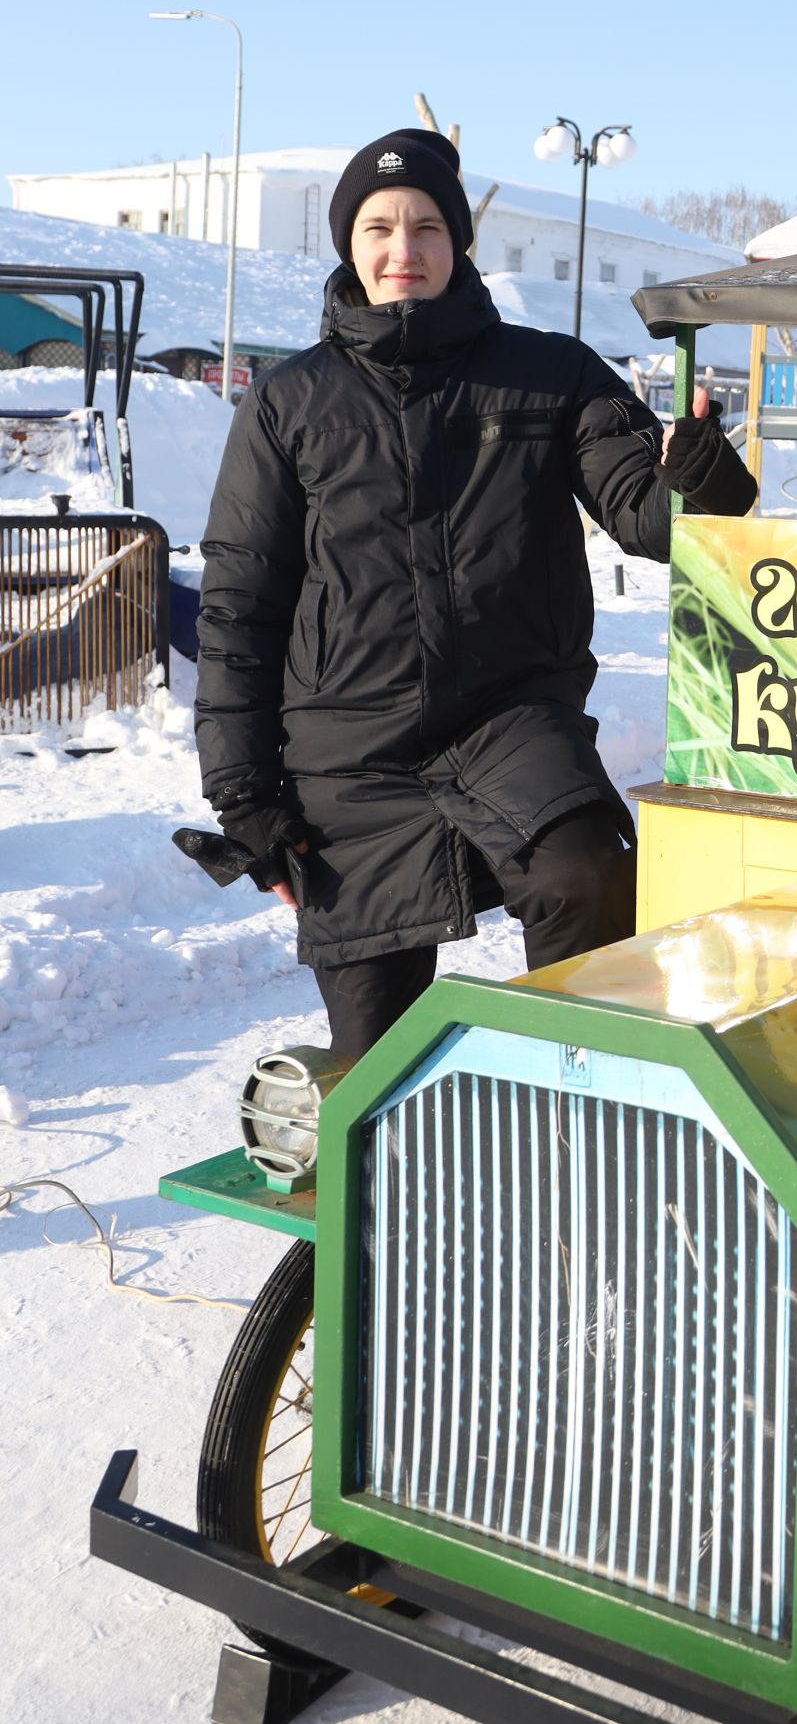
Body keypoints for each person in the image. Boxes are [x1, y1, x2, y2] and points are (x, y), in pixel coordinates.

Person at [190, 126, 757, 1065]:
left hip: (509, 721)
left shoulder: (551, 374)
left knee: (588, 876)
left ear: (457, 244)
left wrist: (703, 480)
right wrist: (244, 790)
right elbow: (240, 601)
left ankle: (585, 1112)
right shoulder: (291, 402)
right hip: (347, 747)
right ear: (349, 245)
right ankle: (400, 1197)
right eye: (378, 228)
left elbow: (651, 519)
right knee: (373, 1053)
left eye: (425, 227)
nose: (401, 250)